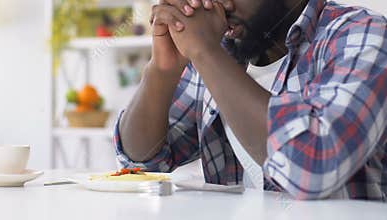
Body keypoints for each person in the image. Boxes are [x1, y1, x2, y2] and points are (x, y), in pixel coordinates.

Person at [114, 0, 387, 201]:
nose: (216, 5)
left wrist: (206, 52)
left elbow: (312, 167)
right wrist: (161, 71)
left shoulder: (362, 34)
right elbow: (140, 164)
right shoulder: (222, 49)